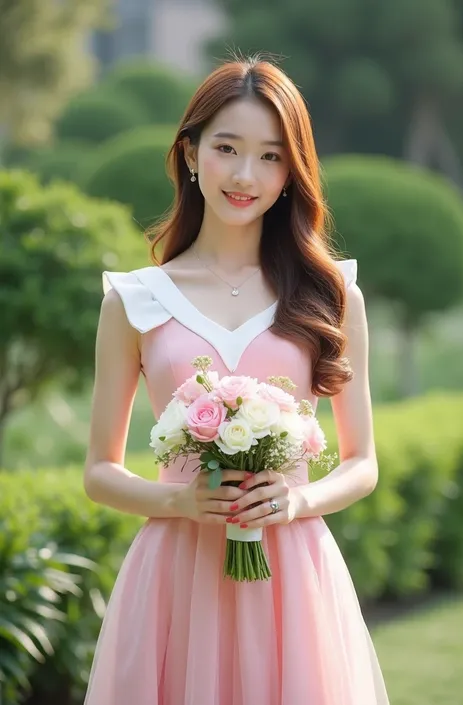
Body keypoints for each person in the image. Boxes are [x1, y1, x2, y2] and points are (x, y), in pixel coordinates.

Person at [83, 56, 390, 705]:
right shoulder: (136, 300)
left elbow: (362, 461)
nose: (247, 175)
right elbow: (98, 471)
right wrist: (181, 502)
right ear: (191, 152)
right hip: (175, 573)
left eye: (272, 156)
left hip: (294, 579)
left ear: (292, 171)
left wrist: (298, 500)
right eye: (228, 148)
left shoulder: (331, 295)